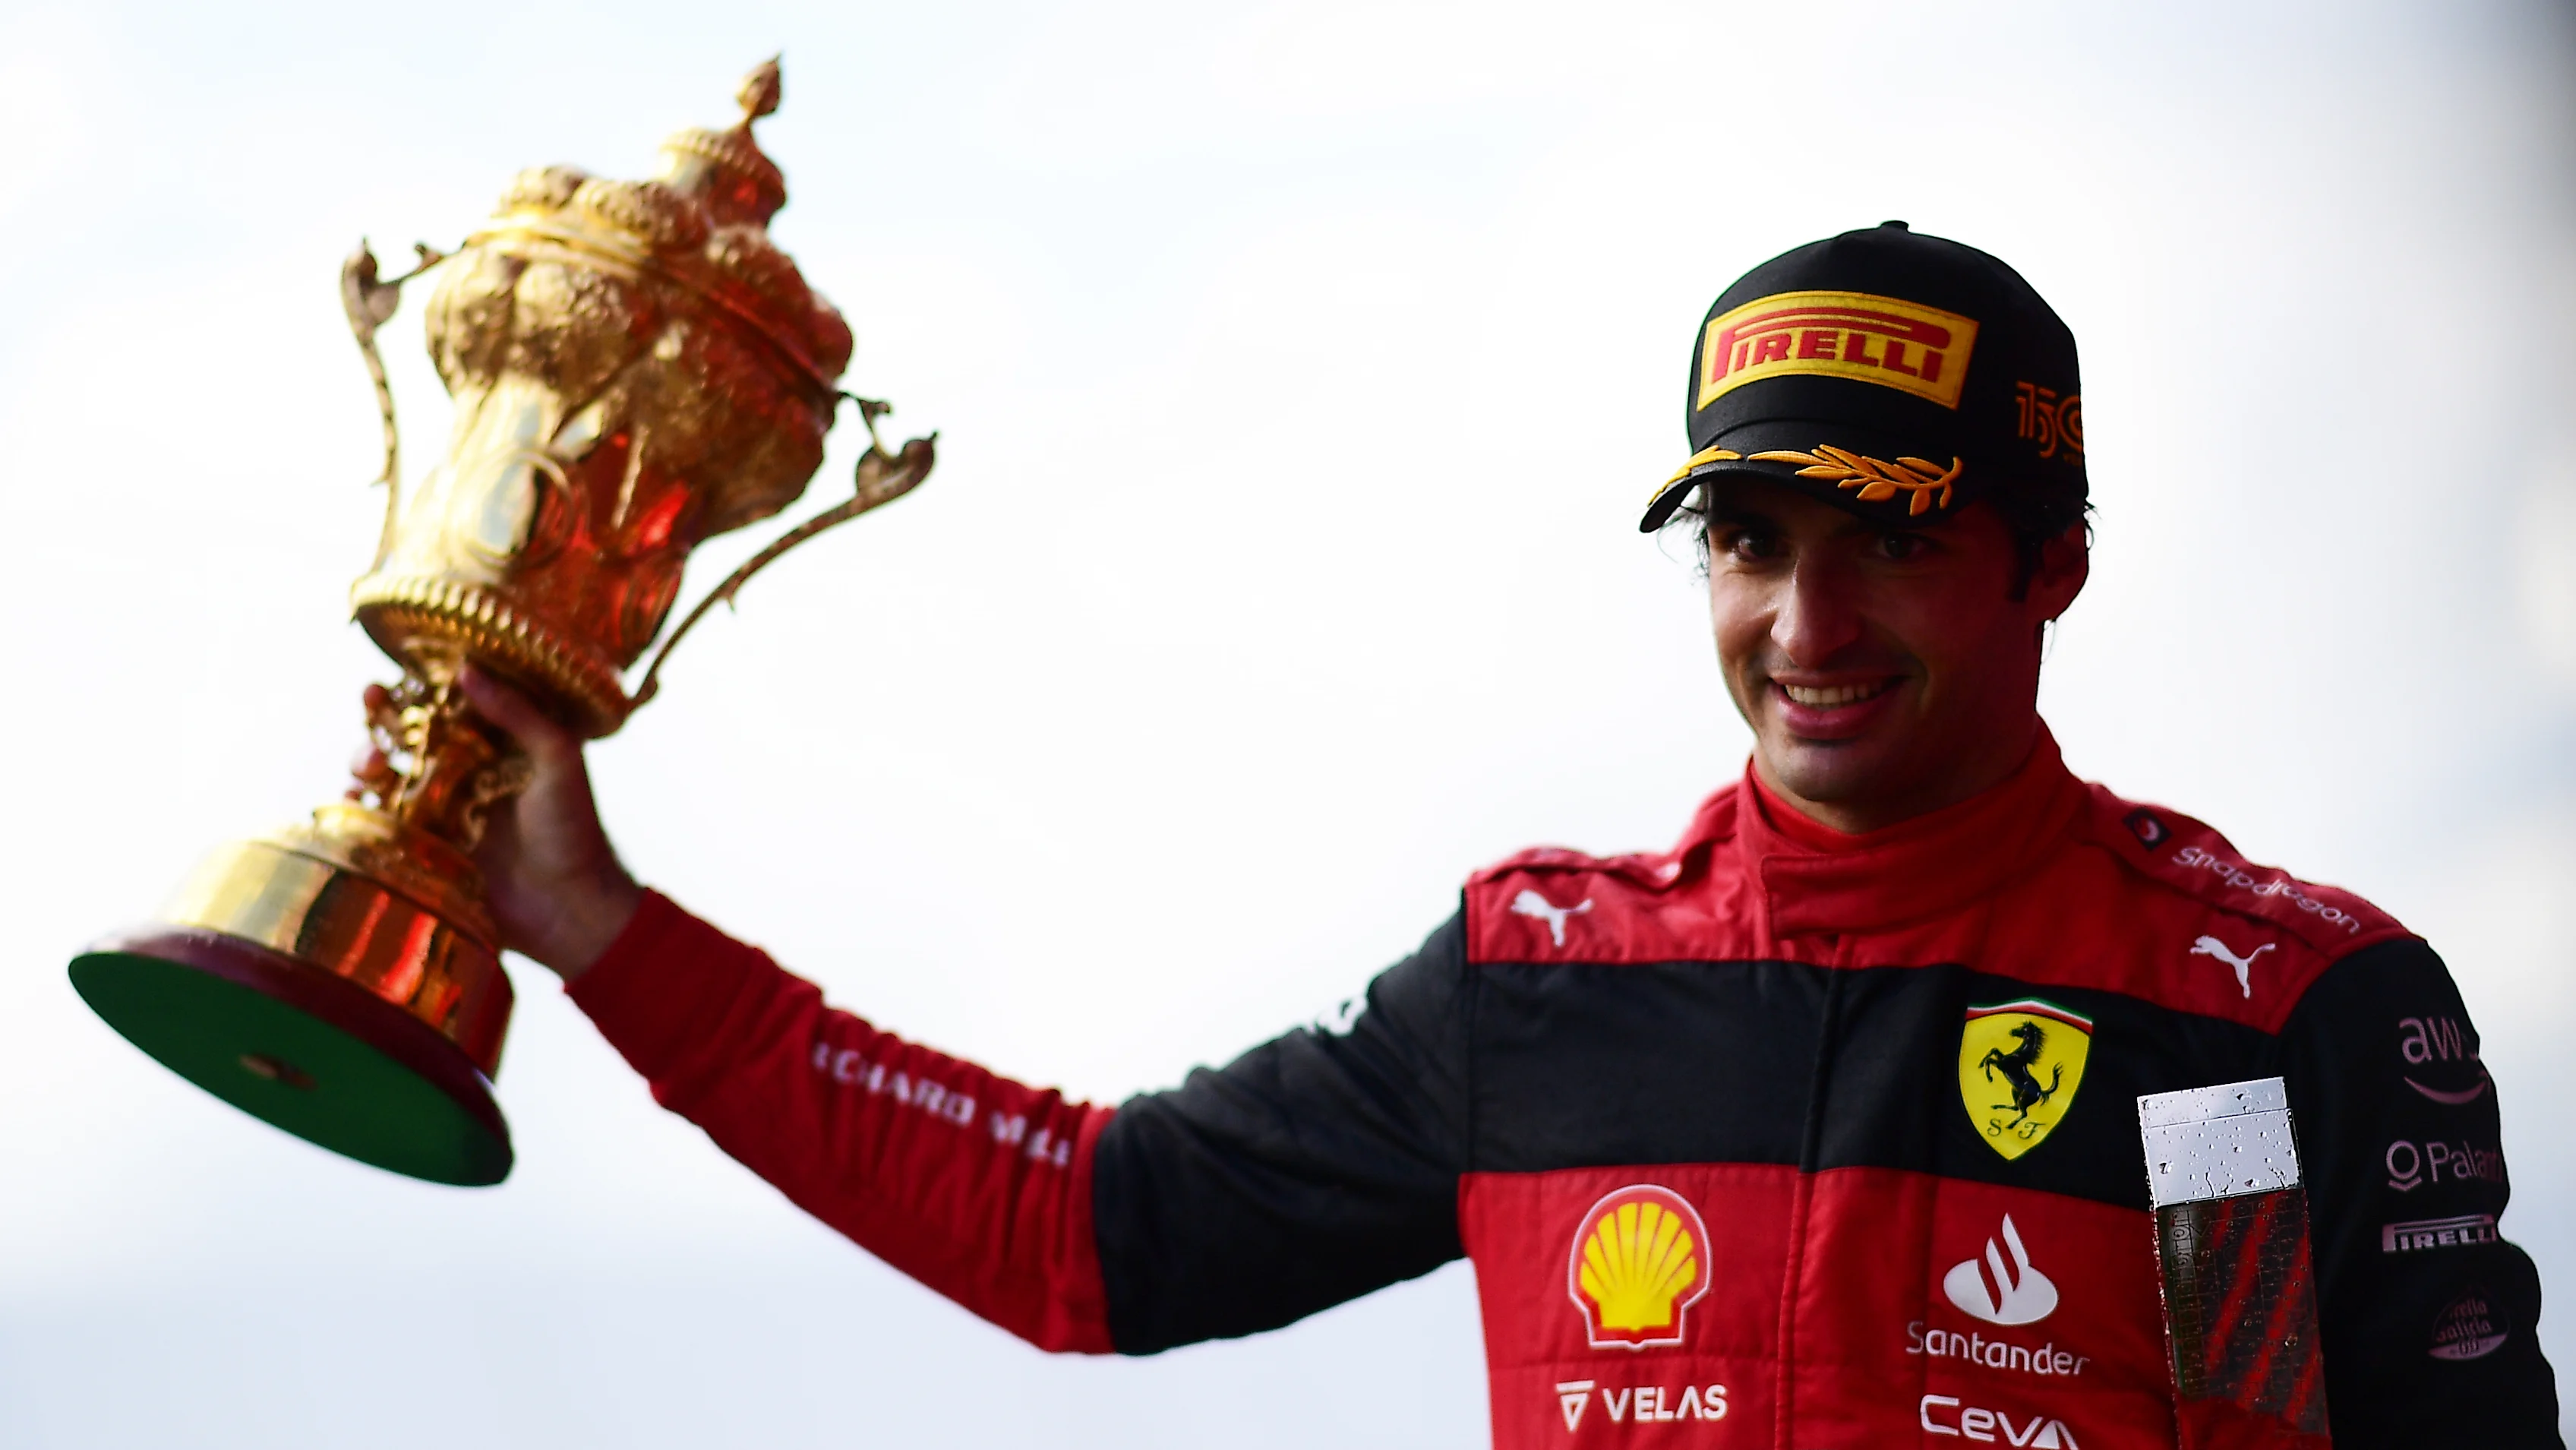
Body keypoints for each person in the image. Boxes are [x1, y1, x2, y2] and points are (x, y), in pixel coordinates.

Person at [456, 223, 2559, 1448]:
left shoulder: (2268, 1012)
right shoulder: (1546, 983)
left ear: (2052, 568)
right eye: (1749, 540)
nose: (1804, 626)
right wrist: (601, 928)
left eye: (1889, 543)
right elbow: (1080, 1229)